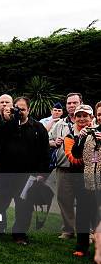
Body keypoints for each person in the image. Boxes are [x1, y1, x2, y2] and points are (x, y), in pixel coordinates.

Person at [0, 97, 50, 244]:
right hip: (3, 174)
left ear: (29, 110)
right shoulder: (4, 125)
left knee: (24, 207)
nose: (19, 112)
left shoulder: (37, 128)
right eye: (16, 109)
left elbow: (45, 153)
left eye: (23, 109)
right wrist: (9, 120)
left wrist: (42, 174)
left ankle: (19, 235)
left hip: (26, 176)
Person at [64, 104, 100, 257]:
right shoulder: (72, 135)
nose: (82, 119)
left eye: (85, 115)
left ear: (92, 117)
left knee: (97, 214)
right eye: (78, 116)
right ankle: (81, 246)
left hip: (97, 179)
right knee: (83, 213)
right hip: (80, 180)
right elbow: (75, 157)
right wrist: (81, 138)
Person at [49, 93, 83, 239]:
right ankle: (68, 230)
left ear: (81, 103)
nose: (71, 105)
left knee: (84, 200)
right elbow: (48, 140)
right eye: (69, 103)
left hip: (83, 167)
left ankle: (85, 231)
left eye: (74, 102)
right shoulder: (60, 123)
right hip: (63, 166)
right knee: (64, 199)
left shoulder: (87, 121)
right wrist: (54, 142)